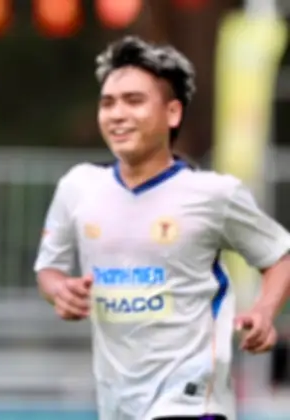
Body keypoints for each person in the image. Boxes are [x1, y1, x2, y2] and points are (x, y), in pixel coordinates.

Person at [34, 35, 290, 420]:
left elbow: (280, 255)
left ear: (172, 113)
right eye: (108, 103)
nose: (117, 114)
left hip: (192, 400)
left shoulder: (214, 194)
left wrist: (265, 311)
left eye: (133, 100)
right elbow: (48, 269)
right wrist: (59, 291)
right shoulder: (77, 187)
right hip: (118, 402)